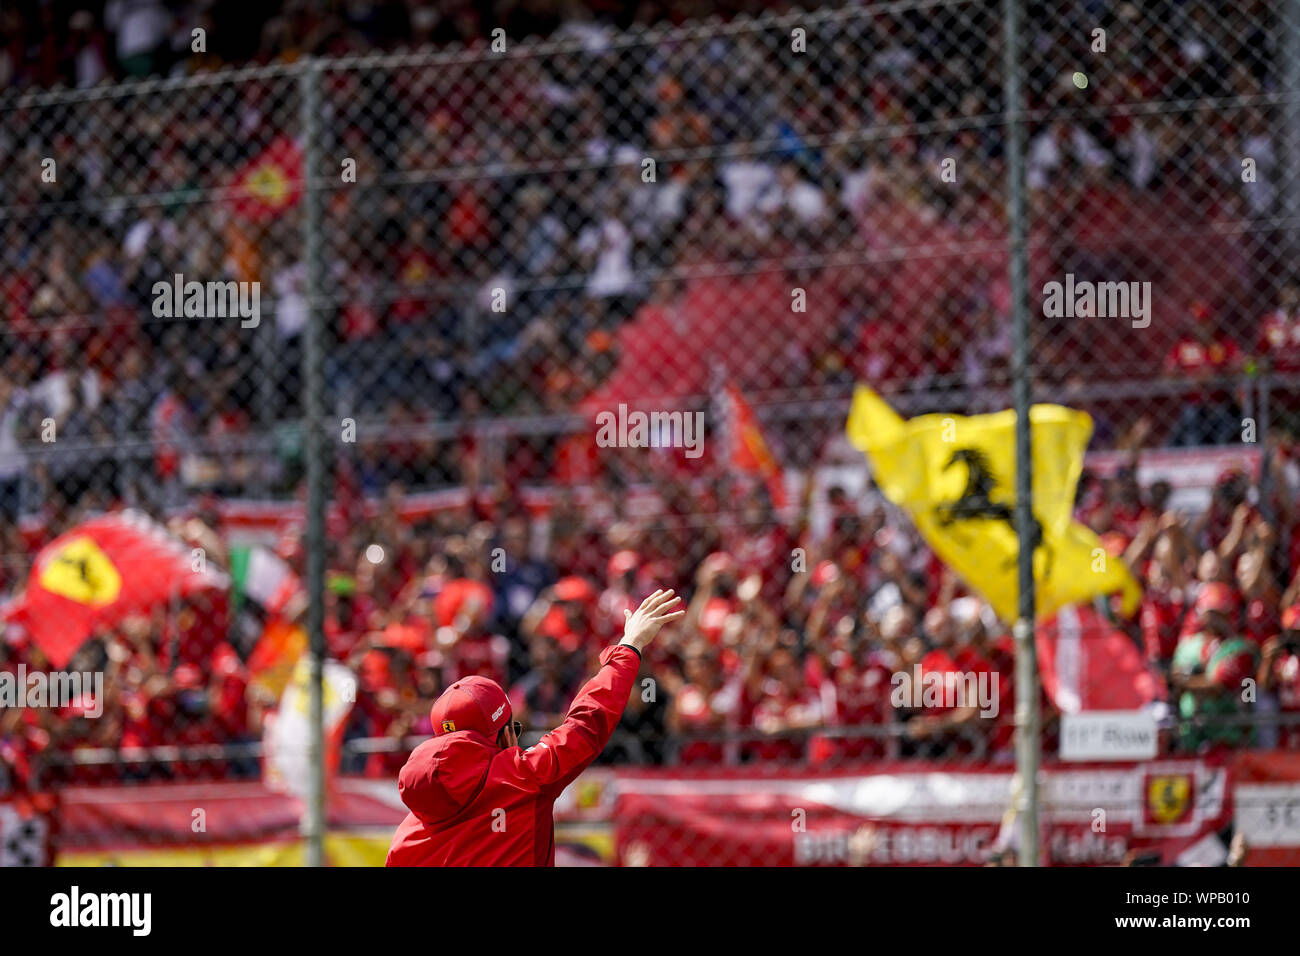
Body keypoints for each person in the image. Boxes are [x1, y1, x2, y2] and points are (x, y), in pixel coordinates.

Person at [385, 588, 684, 866]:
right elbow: (586, 724)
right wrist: (630, 646)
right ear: (504, 733)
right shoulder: (522, 778)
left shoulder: (408, 833)